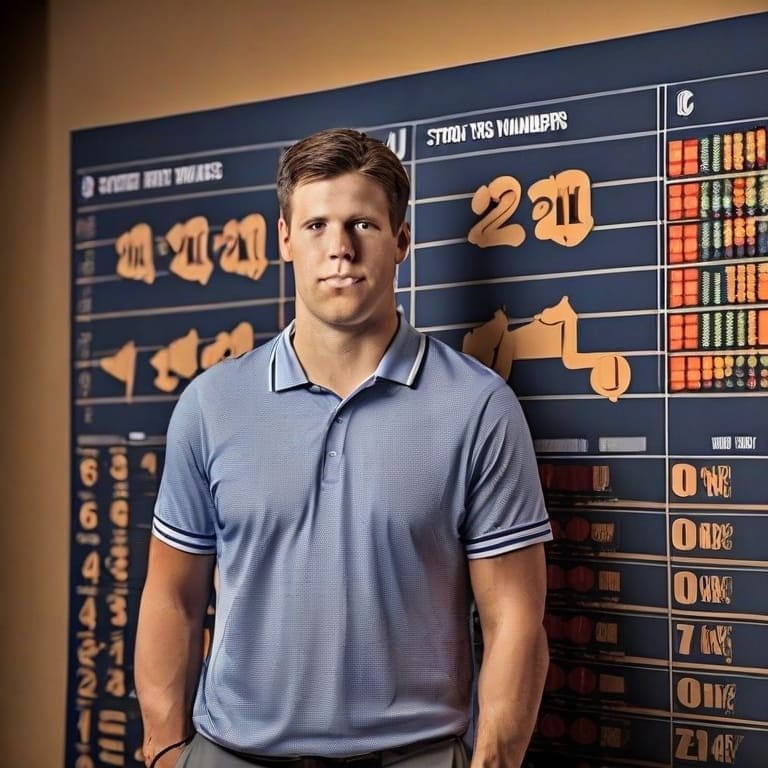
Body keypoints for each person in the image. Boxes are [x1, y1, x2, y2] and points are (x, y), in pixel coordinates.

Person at [135, 128, 552, 768]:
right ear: (284, 239)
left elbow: (516, 620)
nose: (340, 248)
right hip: (230, 754)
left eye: (363, 224)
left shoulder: (478, 408)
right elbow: (172, 596)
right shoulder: (211, 404)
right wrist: (165, 751)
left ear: (401, 241)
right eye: (317, 225)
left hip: (413, 755)